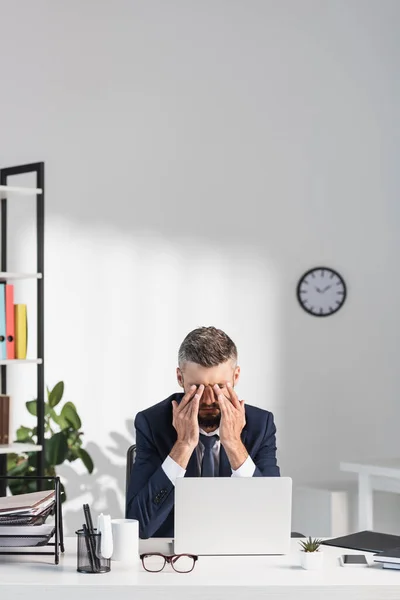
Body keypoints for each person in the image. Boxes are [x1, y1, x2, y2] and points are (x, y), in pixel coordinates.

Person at [126, 326, 280, 538]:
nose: (208, 400)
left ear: (236, 376)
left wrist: (234, 444)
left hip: (239, 548)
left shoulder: (260, 425)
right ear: (180, 378)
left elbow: (273, 519)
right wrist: (183, 445)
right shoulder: (152, 423)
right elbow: (139, 527)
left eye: (219, 387)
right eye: (196, 387)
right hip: (174, 555)